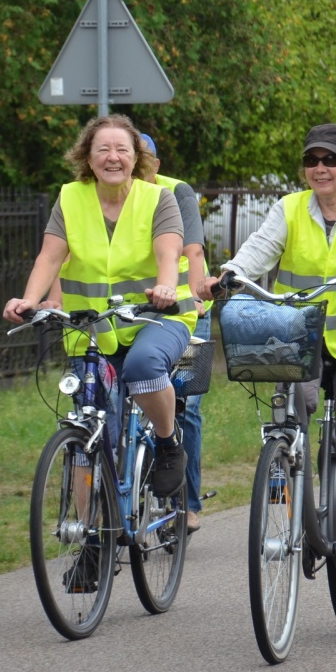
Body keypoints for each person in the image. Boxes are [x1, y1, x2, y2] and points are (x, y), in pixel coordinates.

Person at [203, 123, 336, 608]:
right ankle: (285, 469)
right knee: (290, 414)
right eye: (312, 160)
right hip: (299, 338)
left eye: (331, 159)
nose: (320, 168)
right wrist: (231, 275)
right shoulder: (290, 208)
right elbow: (258, 250)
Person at [3, 114, 194, 501]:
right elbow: (50, 257)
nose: (112, 157)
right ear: (87, 159)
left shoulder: (159, 198)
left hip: (156, 319)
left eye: (122, 149)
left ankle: (168, 441)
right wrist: (30, 299)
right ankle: (92, 545)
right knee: (90, 435)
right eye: (102, 149)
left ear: (135, 158)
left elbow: (169, 253)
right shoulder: (70, 197)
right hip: (92, 329)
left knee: (143, 366)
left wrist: (165, 288)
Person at [139, 133, 212, 534]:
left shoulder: (176, 191)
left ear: (157, 163)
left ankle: (189, 504)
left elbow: (194, 249)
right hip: (140, 314)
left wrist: (199, 294)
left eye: (143, 158)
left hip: (188, 314)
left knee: (186, 405)